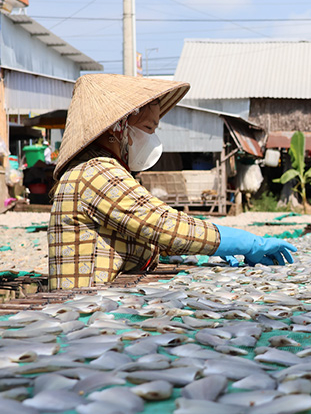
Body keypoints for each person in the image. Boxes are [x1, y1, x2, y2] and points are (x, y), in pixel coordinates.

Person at [49, 74, 296, 290]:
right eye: (148, 127)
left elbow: (144, 233)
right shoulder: (97, 173)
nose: (152, 137)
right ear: (118, 127)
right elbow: (164, 226)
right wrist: (247, 243)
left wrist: (217, 249)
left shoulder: (100, 169)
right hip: (81, 310)